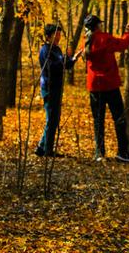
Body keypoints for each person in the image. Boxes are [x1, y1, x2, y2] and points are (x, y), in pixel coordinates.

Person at [83, 13, 129, 162]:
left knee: (98, 120)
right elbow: (122, 45)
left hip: (94, 87)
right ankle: (122, 152)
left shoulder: (86, 41)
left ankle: (99, 153)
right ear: (98, 25)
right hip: (109, 85)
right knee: (119, 118)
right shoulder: (104, 38)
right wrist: (128, 33)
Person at [35, 23, 81, 157]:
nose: (58, 37)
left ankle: (42, 147)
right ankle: (46, 150)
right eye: (56, 35)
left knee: (54, 119)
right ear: (48, 36)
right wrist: (63, 60)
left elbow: (65, 65)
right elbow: (52, 67)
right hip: (49, 88)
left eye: (60, 35)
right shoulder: (45, 50)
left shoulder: (57, 49)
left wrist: (73, 58)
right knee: (52, 119)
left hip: (57, 88)